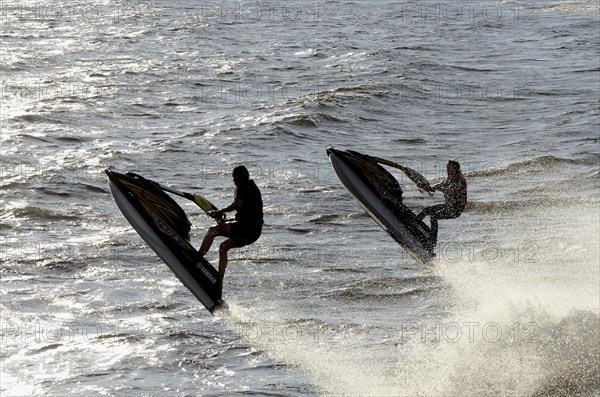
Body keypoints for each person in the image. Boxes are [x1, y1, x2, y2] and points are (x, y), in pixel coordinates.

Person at [199, 165, 263, 281]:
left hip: (247, 228)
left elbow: (238, 204)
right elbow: (247, 214)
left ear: (239, 176)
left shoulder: (243, 187)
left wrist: (222, 211)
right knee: (223, 247)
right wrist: (228, 221)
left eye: (234, 177)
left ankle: (197, 258)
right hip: (253, 232)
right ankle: (219, 279)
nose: (233, 180)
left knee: (213, 230)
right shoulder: (252, 187)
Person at [416, 160, 467, 248]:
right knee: (425, 211)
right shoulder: (449, 179)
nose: (448, 170)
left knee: (433, 216)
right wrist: (426, 187)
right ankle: (414, 225)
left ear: (455, 169)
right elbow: (437, 186)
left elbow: (451, 191)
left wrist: (440, 188)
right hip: (448, 206)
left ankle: (432, 241)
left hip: (456, 209)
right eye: (447, 168)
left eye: (450, 168)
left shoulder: (460, 179)